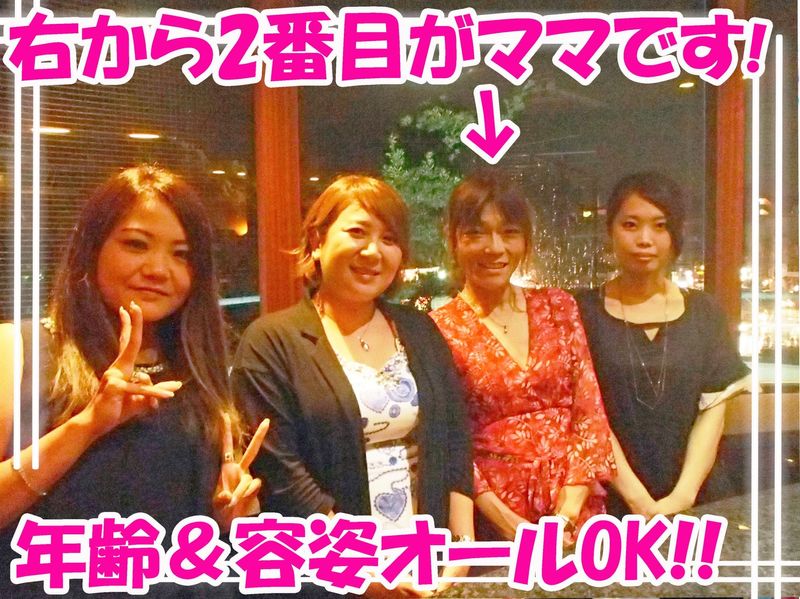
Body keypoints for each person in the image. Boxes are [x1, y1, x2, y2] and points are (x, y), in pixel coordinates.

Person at [0, 165, 267, 596]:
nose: (159, 269)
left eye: (181, 254)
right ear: (91, 248)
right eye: (136, 244)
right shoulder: (18, 349)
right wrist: (87, 425)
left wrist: (229, 517)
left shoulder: (201, 371)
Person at [232, 174, 474, 597]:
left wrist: (461, 550)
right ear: (317, 240)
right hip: (325, 577)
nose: (373, 251)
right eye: (358, 232)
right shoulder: (272, 341)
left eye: (389, 239)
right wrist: (363, 572)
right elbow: (282, 474)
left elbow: (454, 441)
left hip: (425, 569)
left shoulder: (420, 331)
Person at [430, 172, 615, 543]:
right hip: (496, 519)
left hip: (579, 509)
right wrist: (509, 524)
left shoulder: (558, 306)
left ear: (526, 240)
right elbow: (449, 442)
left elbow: (589, 410)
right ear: (453, 240)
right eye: (476, 233)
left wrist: (569, 511)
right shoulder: (438, 329)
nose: (494, 247)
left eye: (509, 232)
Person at [575, 171, 750, 517]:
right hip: (610, 502)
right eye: (630, 225)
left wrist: (682, 497)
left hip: (699, 499)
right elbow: (586, 415)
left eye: (660, 226)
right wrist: (638, 500)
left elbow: (712, 411)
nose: (645, 240)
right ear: (610, 230)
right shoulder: (582, 312)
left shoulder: (704, 312)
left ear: (676, 234)